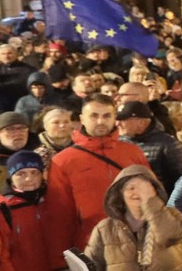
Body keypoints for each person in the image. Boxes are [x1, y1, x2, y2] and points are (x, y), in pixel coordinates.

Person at [47, 96, 152, 248]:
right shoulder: (63, 161)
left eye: (107, 116)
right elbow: (58, 214)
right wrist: (62, 259)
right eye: (94, 116)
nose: (101, 121)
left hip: (135, 241)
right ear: (82, 119)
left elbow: (150, 198)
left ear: (115, 118)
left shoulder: (133, 152)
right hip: (90, 245)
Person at [80, 165, 182, 271]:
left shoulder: (171, 216)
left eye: (145, 187)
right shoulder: (104, 229)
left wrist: (151, 203)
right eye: (131, 188)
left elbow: (170, 235)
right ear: (120, 194)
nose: (138, 193)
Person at [119, 100, 182, 193]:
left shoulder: (167, 143)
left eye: (123, 120)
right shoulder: (118, 142)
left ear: (141, 122)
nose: (117, 124)